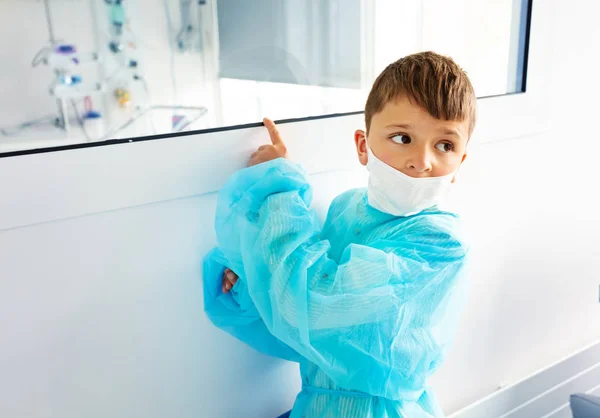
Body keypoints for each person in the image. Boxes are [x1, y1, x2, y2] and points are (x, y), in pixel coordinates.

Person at [202, 51, 476, 418]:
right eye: (402, 137)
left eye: (445, 145)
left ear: (460, 162)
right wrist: (254, 281)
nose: (421, 161)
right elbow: (312, 333)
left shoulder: (439, 243)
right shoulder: (347, 209)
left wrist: (278, 193)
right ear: (364, 146)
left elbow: (313, 304)